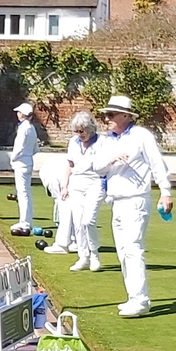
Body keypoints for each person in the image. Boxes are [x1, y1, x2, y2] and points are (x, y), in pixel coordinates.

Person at [97, 96, 173, 318]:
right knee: (123, 251)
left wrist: (165, 192)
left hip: (136, 199)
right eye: (106, 114)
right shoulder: (107, 141)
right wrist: (111, 159)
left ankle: (141, 300)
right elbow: (96, 167)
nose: (107, 118)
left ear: (125, 115)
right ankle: (133, 297)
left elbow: (157, 164)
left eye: (111, 115)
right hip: (116, 201)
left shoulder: (141, 136)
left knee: (132, 248)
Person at [62, 112, 107, 270]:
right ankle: (83, 257)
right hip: (77, 183)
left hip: (95, 182)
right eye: (76, 131)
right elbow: (70, 165)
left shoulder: (102, 142)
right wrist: (65, 185)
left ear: (90, 129)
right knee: (78, 222)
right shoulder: (73, 142)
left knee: (88, 220)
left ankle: (94, 254)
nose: (79, 134)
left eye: (82, 131)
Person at [39, 154, 77, 254]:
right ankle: (76, 242)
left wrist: (58, 220)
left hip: (65, 176)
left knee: (64, 207)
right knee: (77, 210)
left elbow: (58, 199)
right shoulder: (50, 167)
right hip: (78, 176)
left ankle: (62, 245)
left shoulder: (48, 175)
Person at [8, 102, 38, 231]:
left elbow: (19, 147)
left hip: (21, 163)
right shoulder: (31, 128)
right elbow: (36, 148)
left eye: (19, 112)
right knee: (26, 193)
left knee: (22, 193)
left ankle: (24, 222)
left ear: (22, 114)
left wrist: (12, 158)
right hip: (28, 162)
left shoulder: (23, 128)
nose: (17, 114)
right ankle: (27, 221)